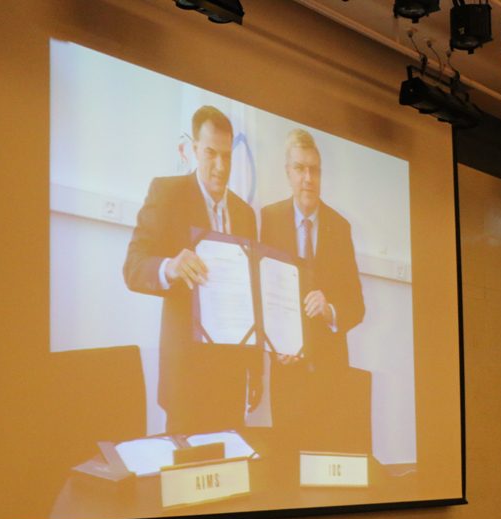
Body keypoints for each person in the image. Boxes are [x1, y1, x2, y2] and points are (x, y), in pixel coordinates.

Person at [123, 105, 259, 435]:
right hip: (185, 378)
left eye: (227, 156)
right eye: (211, 153)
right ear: (194, 149)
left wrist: (256, 371)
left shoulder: (245, 214)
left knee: (232, 465)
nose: (220, 166)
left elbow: (252, 296)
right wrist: (170, 267)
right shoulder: (167, 193)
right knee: (185, 466)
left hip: (231, 378)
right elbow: (133, 267)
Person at [259, 129, 364, 371]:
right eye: (299, 168)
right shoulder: (270, 218)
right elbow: (264, 293)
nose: (308, 178)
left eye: (314, 170)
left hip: (330, 368)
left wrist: (330, 311)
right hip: (286, 366)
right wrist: (276, 345)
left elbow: (357, 306)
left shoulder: (340, 227)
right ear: (288, 172)